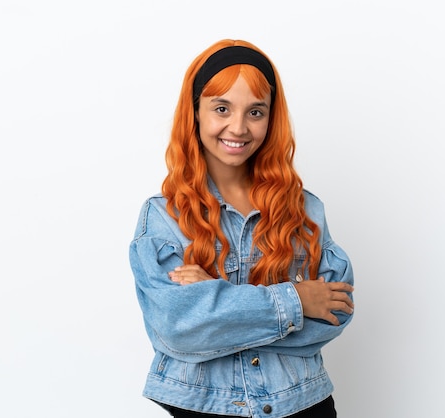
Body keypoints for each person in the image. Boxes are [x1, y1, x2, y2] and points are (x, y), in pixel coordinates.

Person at [129, 39, 355, 418]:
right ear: (195, 113)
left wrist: (216, 306)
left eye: (255, 111)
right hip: (205, 409)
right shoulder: (164, 217)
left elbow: (336, 312)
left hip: (305, 405)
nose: (238, 127)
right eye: (222, 108)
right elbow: (178, 328)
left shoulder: (305, 209)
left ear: (272, 117)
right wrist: (297, 300)